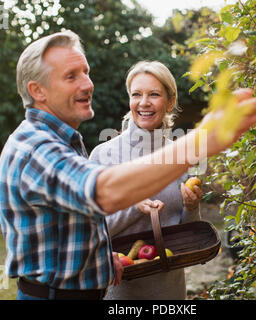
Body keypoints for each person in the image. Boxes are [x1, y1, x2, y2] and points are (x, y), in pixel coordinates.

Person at [0, 30, 256, 300]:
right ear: (37, 91)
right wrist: (200, 142)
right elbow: (103, 193)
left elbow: (75, 225)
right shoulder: (37, 149)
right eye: (71, 76)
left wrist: (100, 257)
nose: (88, 84)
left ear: (170, 101)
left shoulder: (63, 142)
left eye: (85, 72)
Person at [89, 61, 202, 299]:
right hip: (118, 290)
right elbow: (91, 229)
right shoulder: (103, 156)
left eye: (154, 94)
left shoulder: (181, 157)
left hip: (169, 290)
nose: (144, 102)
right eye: (136, 94)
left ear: (170, 102)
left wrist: (192, 208)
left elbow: (186, 236)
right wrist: (134, 206)